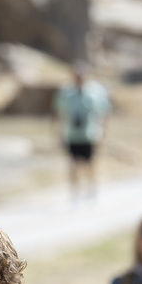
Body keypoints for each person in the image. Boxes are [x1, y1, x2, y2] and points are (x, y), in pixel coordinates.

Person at [52, 64, 111, 200]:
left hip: (90, 133)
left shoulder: (95, 92)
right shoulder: (66, 93)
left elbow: (104, 111)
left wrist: (103, 131)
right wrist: (57, 133)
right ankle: (75, 192)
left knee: (90, 164)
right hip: (72, 134)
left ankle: (92, 189)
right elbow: (58, 113)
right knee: (73, 164)